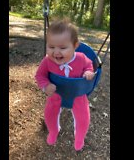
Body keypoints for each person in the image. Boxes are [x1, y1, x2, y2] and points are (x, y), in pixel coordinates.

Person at [35, 19, 95, 151]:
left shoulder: (81, 58)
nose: (56, 52)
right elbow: (39, 75)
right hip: (56, 95)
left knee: (83, 119)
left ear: (75, 46)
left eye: (62, 48)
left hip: (77, 95)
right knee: (49, 115)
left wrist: (88, 72)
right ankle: (54, 130)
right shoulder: (47, 61)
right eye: (51, 47)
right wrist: (45, 85)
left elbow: (89, 65)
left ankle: (79, 136)